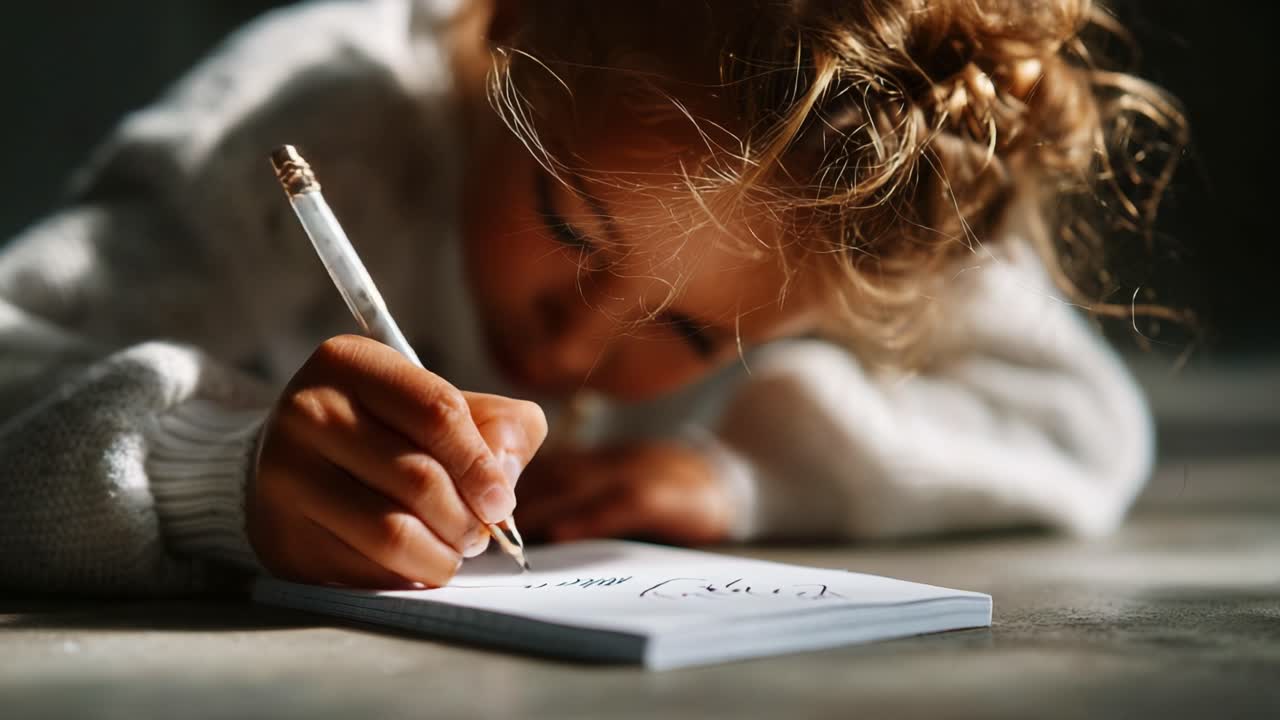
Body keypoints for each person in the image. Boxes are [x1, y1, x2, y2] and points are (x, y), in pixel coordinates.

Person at [0, 0, 1180, 595]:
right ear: (509, 29)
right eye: (570, 228)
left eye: (691, 331)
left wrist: (746, 474)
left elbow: (1081, 424)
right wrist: (224, 469)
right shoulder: (322, 118)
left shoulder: (866, 198)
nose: (571, 349)